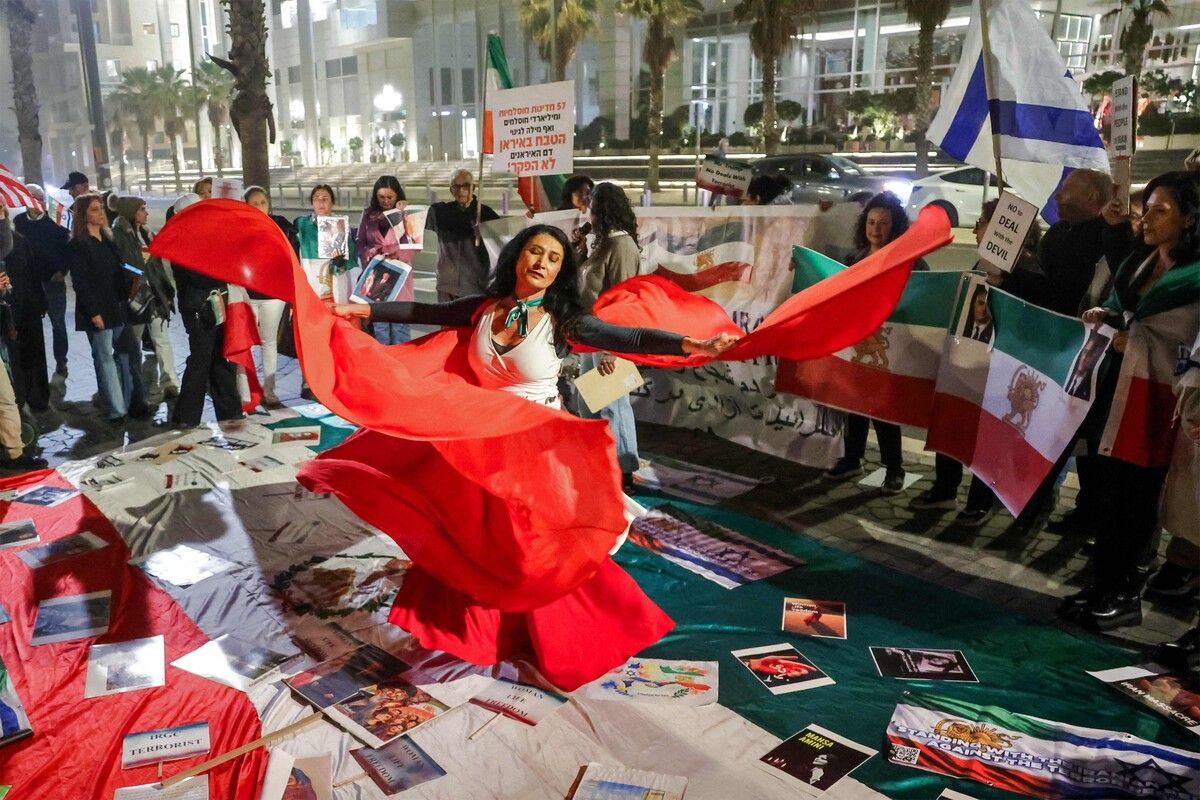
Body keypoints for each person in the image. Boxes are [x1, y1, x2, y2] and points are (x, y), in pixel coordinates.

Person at [328, 225, 737, 686]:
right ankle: (480, 634)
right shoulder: (484, 308)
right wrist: (362, 308)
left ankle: (566, 640)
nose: (542, 262)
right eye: (535, 252)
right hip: (483, 444)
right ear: (518, 257)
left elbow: (629, 338)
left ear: (561, 271)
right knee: (474, 542)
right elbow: (427, 310)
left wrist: (691, 345)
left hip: (538, 447)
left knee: (538, 550)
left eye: (553, 258)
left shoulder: (563, 319)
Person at [1060, 171, 1200, 631]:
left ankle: (1125, 593)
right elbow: (1129, 314)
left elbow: (1185, 342)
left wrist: (1133, 340)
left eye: (1162, 211)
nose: (1149, 219)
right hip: (1119, 392)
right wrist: (1108, 316)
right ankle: (1103, 584)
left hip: (1158, 402)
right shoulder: (1141, 263)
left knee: (1137, 500)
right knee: (1109, 494)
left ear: (1189, 219)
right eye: (1149, 209)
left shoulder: (1194, 278)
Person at [825, 191, 928, 493]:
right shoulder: (854, 259)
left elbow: (924, 295)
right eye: (871, 222)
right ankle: (852, 458)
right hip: (857, 340)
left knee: (884, 408)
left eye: (883, 223)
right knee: (853, 401)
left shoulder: (910, 262)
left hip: (890, 344)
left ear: (895, 226)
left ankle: (894, 468)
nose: (876, 229)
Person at [573, 182, 645, 484]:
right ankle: (600, 464)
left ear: (603, 209)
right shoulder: (603, 244)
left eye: (591, 204)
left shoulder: (621, 245)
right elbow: (585, 285)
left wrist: (613, 351)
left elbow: (623, 301)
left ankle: (623, 470)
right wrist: (579, 251)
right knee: (588, 404)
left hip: (610, 340)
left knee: (612, 405)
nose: (587, 210)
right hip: (592, 335)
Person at [67, 193, 147, 422]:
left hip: (117, 305)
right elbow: (80, 282)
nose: (101, 212)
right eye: (94, 209)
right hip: (98, 309)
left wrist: (135, 277)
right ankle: (117, 409)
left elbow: (120, 269)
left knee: (127, 353)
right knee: (105, 360)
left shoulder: (107, 239)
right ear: (83, 215)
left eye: (101, 207)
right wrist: (94, 312)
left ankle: (132, 402)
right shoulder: (78, 245)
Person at [168, 194, 244, 429]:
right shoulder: (180, 241)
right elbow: (198, 276)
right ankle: (186, 416)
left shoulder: (208, 236)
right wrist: (222, 268)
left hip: (217, 305)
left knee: (222, 359)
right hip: (199, 310)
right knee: (200, 361)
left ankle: (229, 411)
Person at [109, 195, 179, 401]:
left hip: (155, 295)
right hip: (135, 297)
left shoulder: (147, 234)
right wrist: (139, 275)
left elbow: (157, 266)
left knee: (162, 339)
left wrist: (165, 290)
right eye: (142, 209)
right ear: (131, 212)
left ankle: (170, 383)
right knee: (132, 344)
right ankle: (130, 388)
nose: (146, 213)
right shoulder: (118, 235)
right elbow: (121, 264)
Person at [243, 186, 297, 407]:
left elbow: (291, 251)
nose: (259, 207)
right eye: (254, 203)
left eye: (263, 202)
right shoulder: (240, 227)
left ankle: (269, 390)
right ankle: (245, 392)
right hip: (246, 294)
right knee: (244, 343)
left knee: (269, 342)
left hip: (273, 294)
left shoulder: (279, 225)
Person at [14, 184, 71, 376]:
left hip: (53, 280)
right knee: (32, 323)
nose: (39, 201)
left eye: (41, 197)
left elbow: (66, 247)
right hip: (31, 281)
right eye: (35, 198)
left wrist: (62, 270)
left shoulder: (55, 220)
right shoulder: (20, 222)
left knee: (58, 323)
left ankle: (61, 360)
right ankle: (35, 363)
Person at [0, 202, 49, 412]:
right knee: (13, 357)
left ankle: (36, 397)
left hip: (27, 305)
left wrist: (41, 301)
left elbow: (32, 273)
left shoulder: (19, 240)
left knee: (32, 353)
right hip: (7, 310)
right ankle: (18, 402)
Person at [355, 175, 415, 345]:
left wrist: (398, 255)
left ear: (398, 195)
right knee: (380, 328)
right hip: (375, 277)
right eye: (381, 197)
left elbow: (415, 245)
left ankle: (400, 360)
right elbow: (359, 242)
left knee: (399, 328)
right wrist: (369, 252)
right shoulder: (368, 214)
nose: (386, 201)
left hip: (399, 275)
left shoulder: (406, 214)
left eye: (390, 197)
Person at [426, 169, 499, 301]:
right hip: (446, 284)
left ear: (474, 188)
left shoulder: (486, 213)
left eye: (466, 186)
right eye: (456, 186)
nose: (461, 191)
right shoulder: (439, 212)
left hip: (476, 285)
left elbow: (502, 244)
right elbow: (414, 220)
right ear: (451, 190)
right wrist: (401, 205)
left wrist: (485, 234)